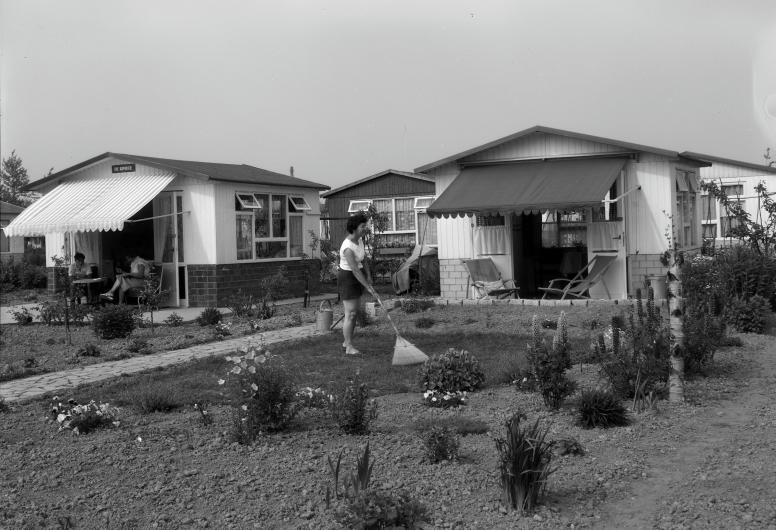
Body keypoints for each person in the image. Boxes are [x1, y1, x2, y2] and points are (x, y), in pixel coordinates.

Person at [338, 212, 377, 355]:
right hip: (348, 278)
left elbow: (363, 259)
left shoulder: (359, 240)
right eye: (363, 226)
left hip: (358, 276)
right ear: (354, 228)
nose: (365, 228)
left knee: (354, 312)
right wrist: (368, 287)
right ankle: (348, 347)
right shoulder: (347, 247)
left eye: (365, 226)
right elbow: (354, 269)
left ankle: (346, 342)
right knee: (351, 313)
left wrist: (369, 276)